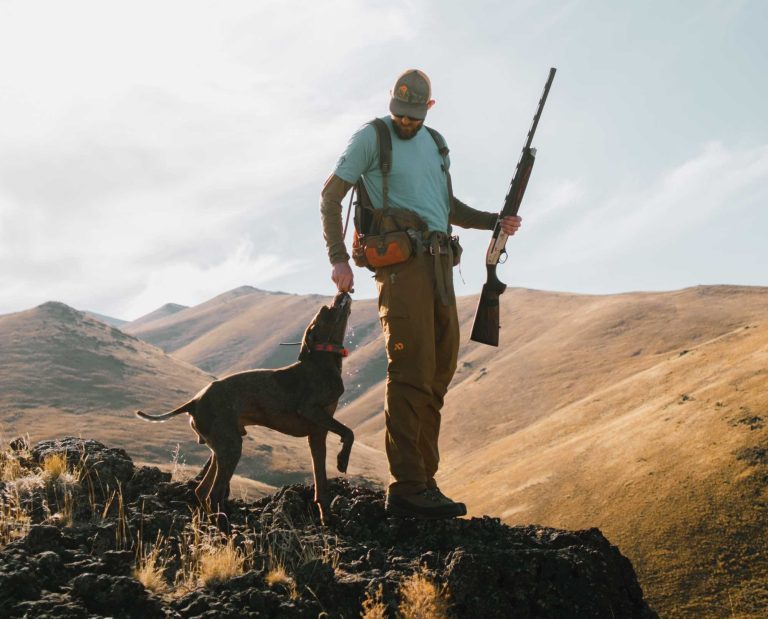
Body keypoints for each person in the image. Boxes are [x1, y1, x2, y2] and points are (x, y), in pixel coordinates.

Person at [320, 69, 522, 519]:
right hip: (401, 269)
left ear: (429, 108)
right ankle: (407, 486)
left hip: (440, 265)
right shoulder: (372, 137)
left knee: (438, 372)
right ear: (392, 102)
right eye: (400, 112)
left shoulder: (437, 143)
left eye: (414, 115)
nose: (406, 121)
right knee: (411, 371)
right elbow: (331, 196)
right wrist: (337, 257)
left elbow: (447, 207)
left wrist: (496, 220)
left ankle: (426, 482)